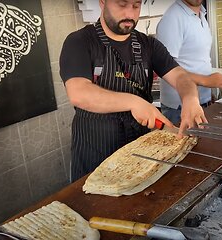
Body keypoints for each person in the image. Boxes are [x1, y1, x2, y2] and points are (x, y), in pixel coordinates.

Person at [59, 0, 207, 182]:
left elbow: (180, 77)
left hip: (142, 154)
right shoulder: (79, 42)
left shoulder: (148, 45)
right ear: (102, 2)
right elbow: (79, 92)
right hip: (95, 154)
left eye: (136, 6)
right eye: (122, 5)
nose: (130, 14)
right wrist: (134, 102)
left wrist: (190, 98)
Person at [156, 0, 222, 125]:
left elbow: (197, 59)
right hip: (179, 108)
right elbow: (164, 67)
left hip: (201, 102)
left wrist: (207, 94)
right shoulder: (172, 19)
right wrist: (206, 80)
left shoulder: (201, 15)